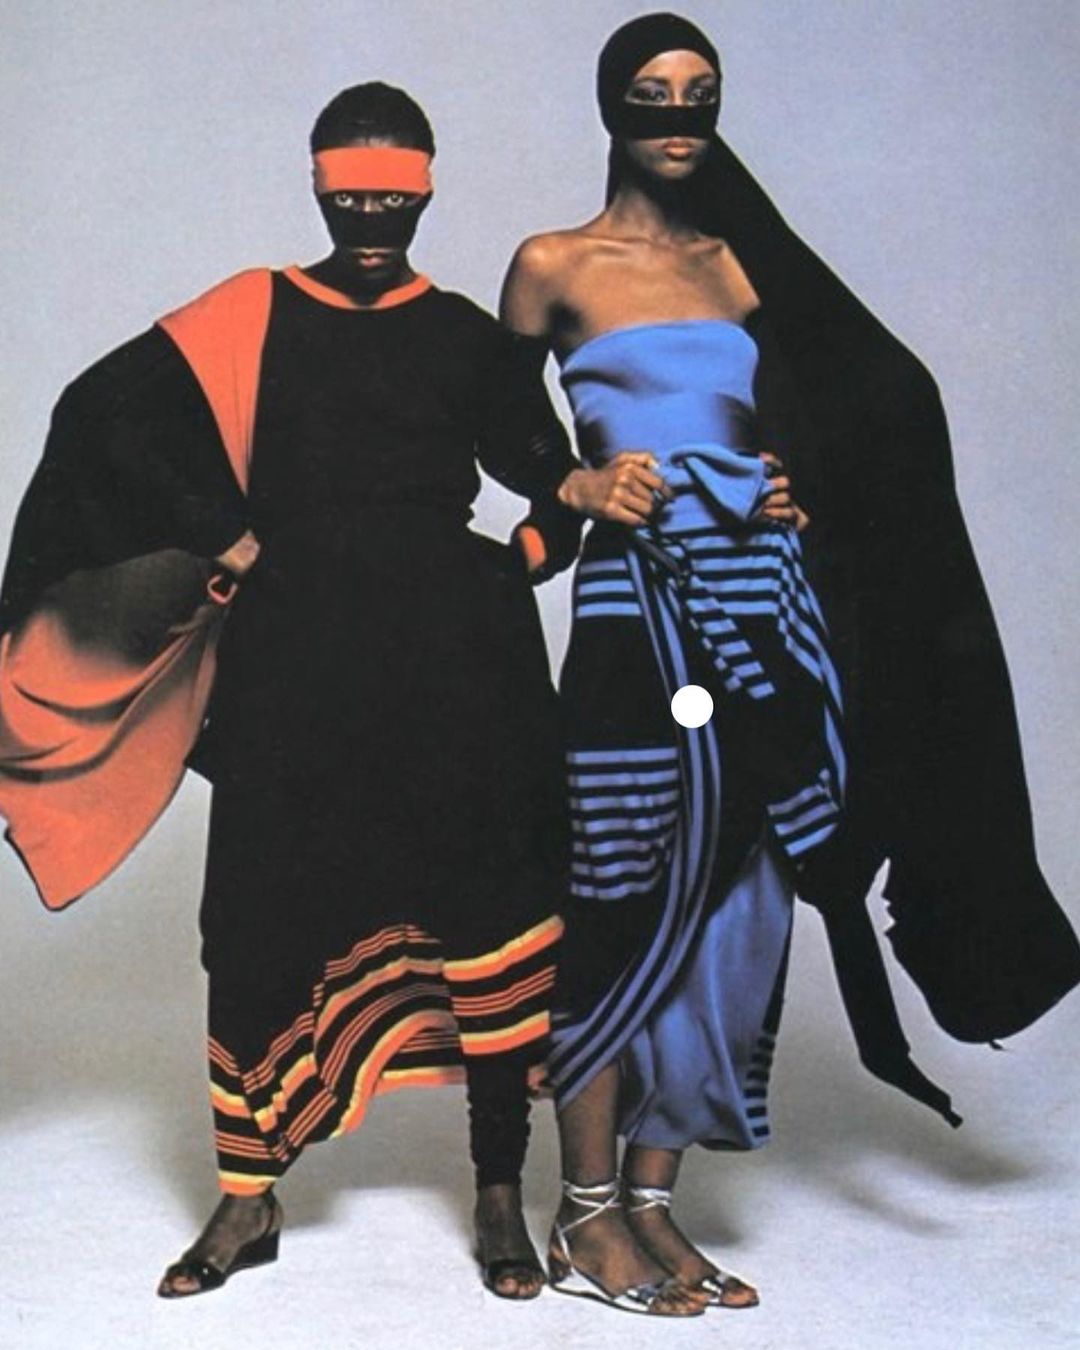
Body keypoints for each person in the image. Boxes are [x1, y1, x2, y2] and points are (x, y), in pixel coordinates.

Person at [500, 11, 1079, 1318]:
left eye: (698, 95)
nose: (676, 119)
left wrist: (793, 490)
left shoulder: (737, 268)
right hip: (635, 607)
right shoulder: (551, 263)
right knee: (619, 886)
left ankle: (655, 1202)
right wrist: (578, 484)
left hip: (760, 601)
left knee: (742, 902)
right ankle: (584, 1214)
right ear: (612, 109)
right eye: (651, 95)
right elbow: (493, 424)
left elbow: (823, 417)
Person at [0, 81, 583, 1300]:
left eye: (396, 192)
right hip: (297, 661)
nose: (372, 214)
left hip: (458, 666)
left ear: (428, 190)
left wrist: (512, 564)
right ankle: (247, 1195)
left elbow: (553, 486)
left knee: (486, 898)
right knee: (260, 913)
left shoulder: (465, 336)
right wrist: (224, 532)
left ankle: (496, 1191)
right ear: (317, 185)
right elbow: (98, 422)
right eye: (349, 190)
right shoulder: (250, 310)